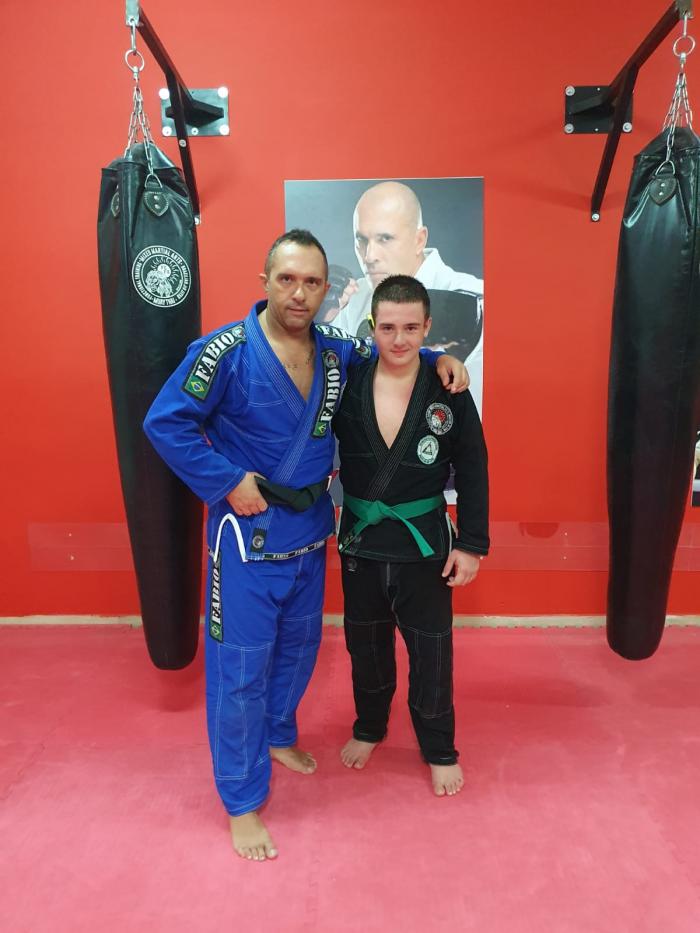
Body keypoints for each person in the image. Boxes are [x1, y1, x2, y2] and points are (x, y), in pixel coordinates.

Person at [143, 230, 469, 861]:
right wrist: (225, 480)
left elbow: (389, 349)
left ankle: (277, 734)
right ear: (265, 281)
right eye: (287, 279)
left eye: (312, 282)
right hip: (246, 538)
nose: (299, 293)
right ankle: (241, 800)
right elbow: (165, 422)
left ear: (325, 289)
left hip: (311, 533)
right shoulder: (223, 352)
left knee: (299, 650)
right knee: (240, 670)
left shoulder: (336, 351)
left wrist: (435, 359)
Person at [333, 274, 489, 796]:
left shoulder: (448, 388)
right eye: (387, 328)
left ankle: (439, 748)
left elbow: (473, 468)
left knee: (431, 651)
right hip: (361, 543)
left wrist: (471, 543)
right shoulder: (348, 381)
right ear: (372, 326)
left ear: (427, 328)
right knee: (365, 644)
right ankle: (370, 726)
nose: (398, 339)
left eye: (410, 328)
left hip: (425, 544)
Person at [325, 180, 484, 414]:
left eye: (385, 239)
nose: (369, 256)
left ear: (419, 240)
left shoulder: (474, 298)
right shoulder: (353, 299)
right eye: (362, 240)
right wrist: (319, 319)